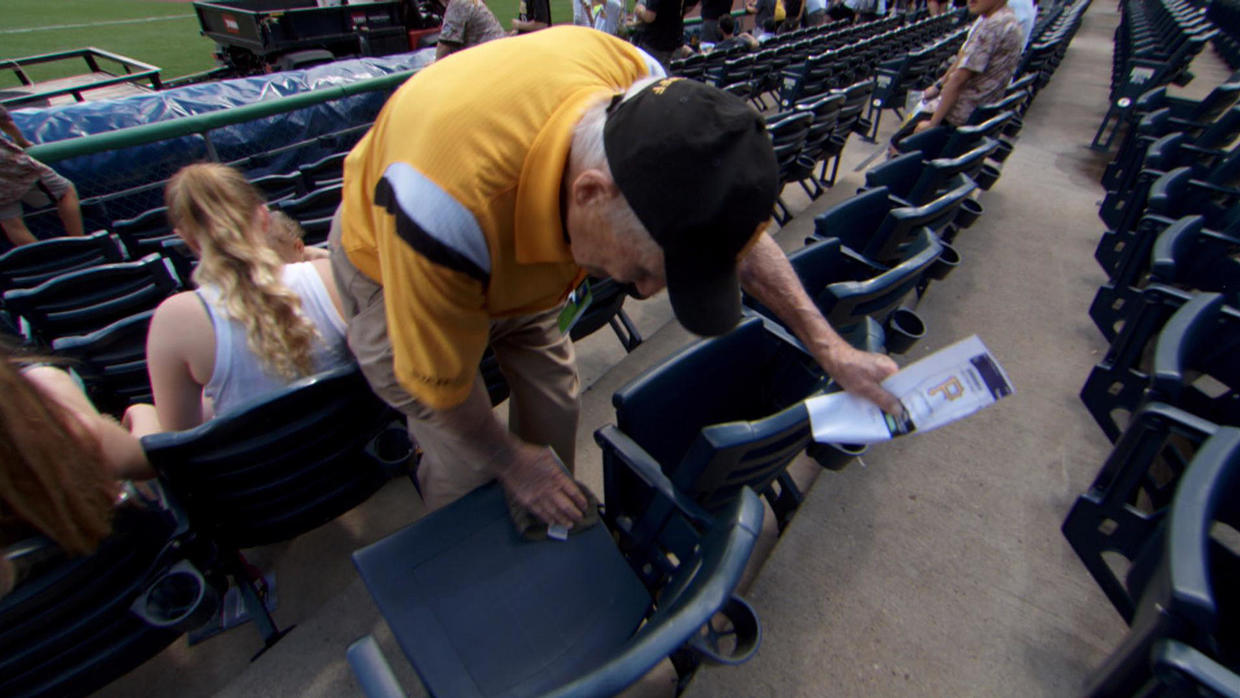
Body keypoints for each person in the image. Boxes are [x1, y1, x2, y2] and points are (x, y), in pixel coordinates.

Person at [329, 26, 900, 531]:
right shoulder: (440, 210)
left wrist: (829, 349)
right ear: (591, 194)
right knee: (466, 459)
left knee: (555, 401)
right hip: (393, 262)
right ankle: (469, 581)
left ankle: (541, 530)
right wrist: (510, 461)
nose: (649, 292)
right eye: (649, 271)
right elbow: (444, 391)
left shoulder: (641, 88)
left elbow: (731, 238)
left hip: (518, 252)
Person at [131, 164, 350, 444]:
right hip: (363, 467)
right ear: (263, 217)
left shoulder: (174, 320)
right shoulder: (330, 275)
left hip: (265, 484)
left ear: (186, 237)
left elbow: (182, 439)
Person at [0, 345, 140, 595]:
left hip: (49, 630)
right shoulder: (48, 402)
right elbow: (143, 461)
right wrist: (141, 414)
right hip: (132, 607)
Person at [889, 0, 1023, 149]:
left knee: (897, 144)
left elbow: (958, 80)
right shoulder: (1007, 19)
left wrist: (933, 123)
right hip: (979, 115)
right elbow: (963, 56)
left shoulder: (993, 25)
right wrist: (939, 85)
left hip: (959, 117)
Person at [0, 104, 84, 248]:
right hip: (7, 162)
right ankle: (80, 245)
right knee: (65, 190)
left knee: (11, 222)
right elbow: (6, 123)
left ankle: (47, 258)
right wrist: (23, 142)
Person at [435, 0, 506, 60]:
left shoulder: (458, 3)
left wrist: (434, 67)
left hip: (489, 57)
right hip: (496, 51)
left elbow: (445, 43)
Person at [633, 0, 689, 68]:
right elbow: (689, 7)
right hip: (674, 41)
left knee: (651, 75)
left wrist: (640, 10)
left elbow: (650, 17)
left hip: (655, 43)